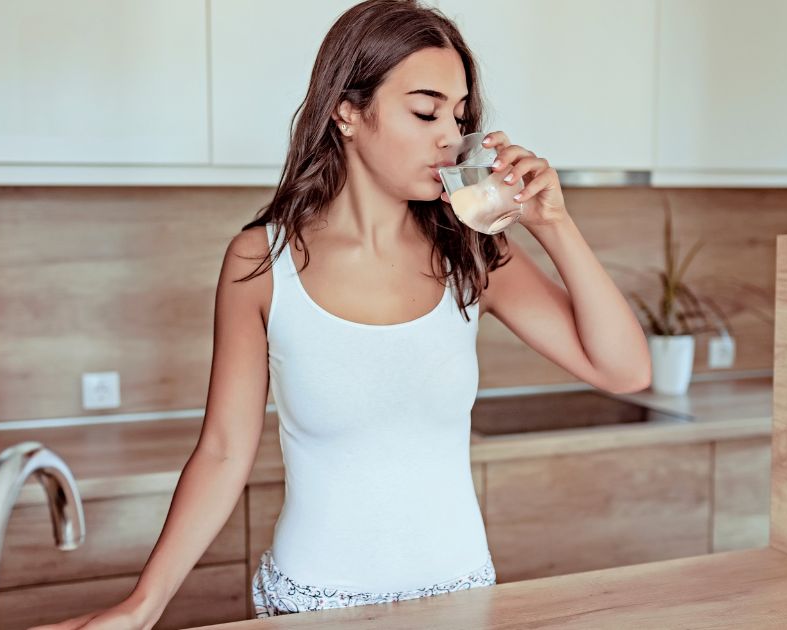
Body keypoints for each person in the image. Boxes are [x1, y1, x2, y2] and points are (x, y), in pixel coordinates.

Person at [34, 1, 650, 627]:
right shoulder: (262, 261)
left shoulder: (474, 251)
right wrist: (143, 605)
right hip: (310, 606)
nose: (448, 135)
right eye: (425, 110)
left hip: (461, 600)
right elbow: (222, 450)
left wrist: (556, 225)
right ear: (347, 111)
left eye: (459, 115)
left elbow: (624, 371)